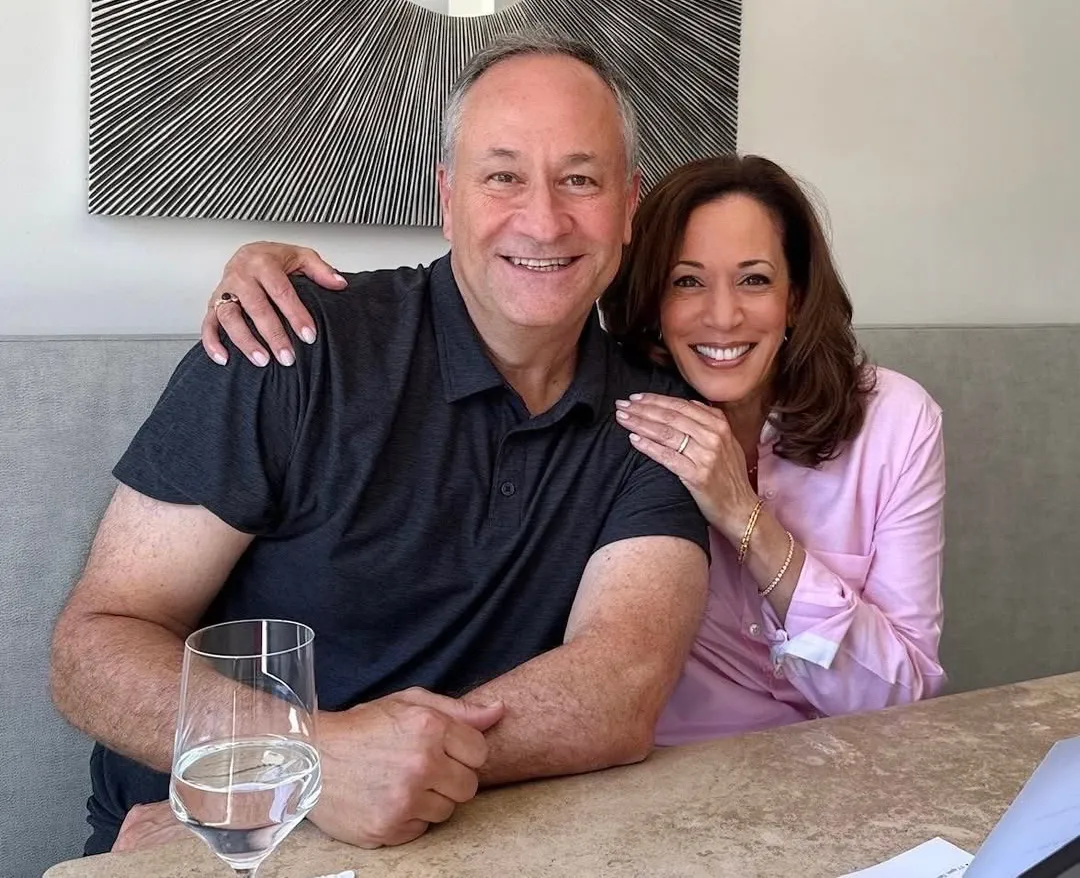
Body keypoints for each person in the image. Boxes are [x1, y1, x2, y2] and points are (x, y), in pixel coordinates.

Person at [49, 32, 711, 856]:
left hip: (479, 835)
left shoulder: (657, 415)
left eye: (580, 179)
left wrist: (385, 770)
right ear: (447, 197)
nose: (543, 220)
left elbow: (619, 687)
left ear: (629, 204)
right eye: (502, 176)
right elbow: (94, 644)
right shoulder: (291, 342)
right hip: (219, 838)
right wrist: (301, 767)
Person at [209, 155, 946, 746]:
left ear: (796, 297)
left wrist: (745, 519)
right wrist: (264, 268)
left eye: (754, 280)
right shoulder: (613, 419)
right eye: (687, 282)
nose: (723, 316)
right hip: (673, 781)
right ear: (650, 298)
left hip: (853, 767)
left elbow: (904, 697)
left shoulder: (894, 420)